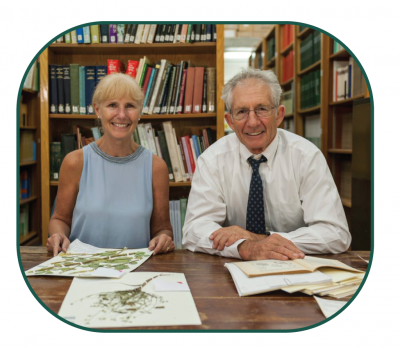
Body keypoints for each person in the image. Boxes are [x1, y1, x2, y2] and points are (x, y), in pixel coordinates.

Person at [182, 68, 351, 261]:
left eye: (262, 109)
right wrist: (245, 248)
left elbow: (336, 234)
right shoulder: (212, 160)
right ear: (230, 120)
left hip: (296, 266)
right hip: (232, 271)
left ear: (279, 115)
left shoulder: (307, 156)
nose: (252, 122)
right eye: (242, 112)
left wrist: (261, 240)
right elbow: (194, 230)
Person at [47, 73, 175, 256]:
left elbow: (163, 229)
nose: (121, 115)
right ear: (98, 110)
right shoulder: (75, 162)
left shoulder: (156, 167)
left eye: (130, 106)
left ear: (140, 112)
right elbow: (60, 219)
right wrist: (58, 235)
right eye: (112, 105)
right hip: (81, 269)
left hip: (135, 273)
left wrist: (164, 239)